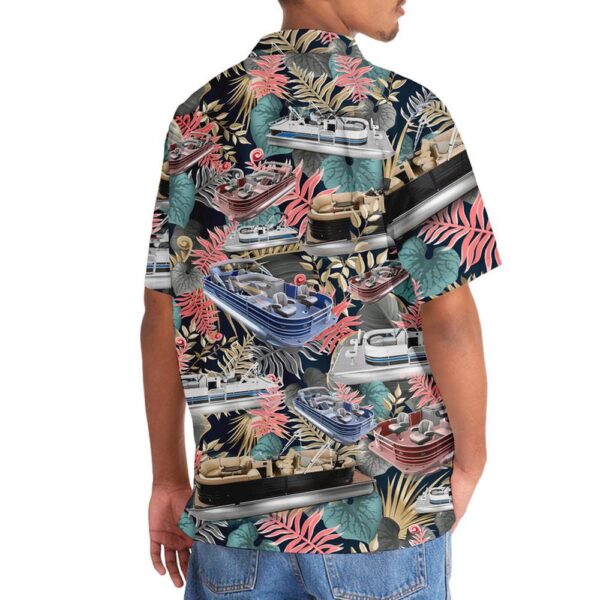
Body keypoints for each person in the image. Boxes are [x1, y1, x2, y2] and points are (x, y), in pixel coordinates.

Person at [140, 0, 501, 597]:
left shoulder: (197, 116)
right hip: (385, 520)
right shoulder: (409, 110)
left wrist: (167, 479)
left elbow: (162, 314)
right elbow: (450, 316)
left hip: (234, 526)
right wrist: (471, 461)